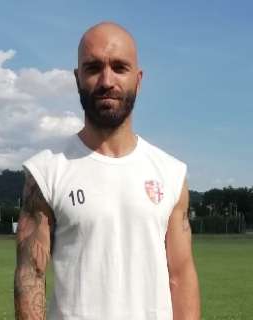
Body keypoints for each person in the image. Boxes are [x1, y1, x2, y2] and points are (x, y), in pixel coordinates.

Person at [14, 22, 200, 320]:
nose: (106, 80)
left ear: (138, 80)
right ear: (78, 78)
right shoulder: (46, 172)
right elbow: (30, 276)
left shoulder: (171, 174)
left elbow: (180, 275)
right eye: (93, 68)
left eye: (119, 67)